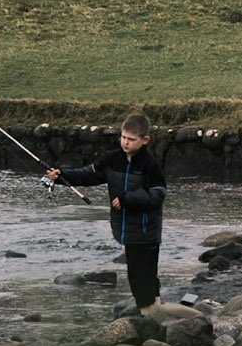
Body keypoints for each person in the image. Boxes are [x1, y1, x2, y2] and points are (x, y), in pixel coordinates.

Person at [44, 111, 166, 310]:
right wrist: (62, 177)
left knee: (140, 275)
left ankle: (149, 315)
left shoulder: (150, 164)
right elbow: (89, 175)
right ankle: (156, 311)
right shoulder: (113, 159)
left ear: (145, 140)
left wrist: (127, 199)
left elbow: (159, 194)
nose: (125, 142)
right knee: (141, 273)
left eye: (131, 139)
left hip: (146, 230)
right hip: (126, 229)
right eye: (123, 137)